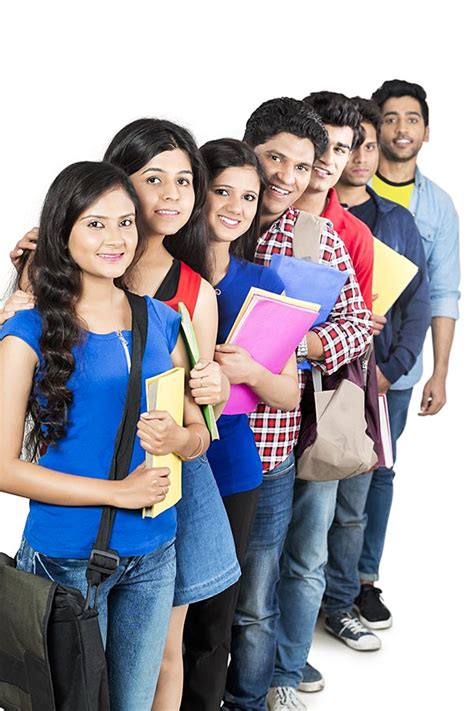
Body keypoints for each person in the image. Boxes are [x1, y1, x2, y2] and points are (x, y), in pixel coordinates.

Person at [2, 118, 240, 711]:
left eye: (125, 222)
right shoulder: (26, 332)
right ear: (63, 231)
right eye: (96, 223)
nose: (116, 237)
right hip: (66, 556)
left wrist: (183, 433)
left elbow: (196, 439)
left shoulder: (161, 320)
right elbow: (3, 468)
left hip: (154, 551)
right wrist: (117, 491)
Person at [222, 98, 372, 711]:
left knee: (257, 595)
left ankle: (251, 697)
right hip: (193, 439)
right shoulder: (206, 216)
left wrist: (305, 344)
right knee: (193, 589)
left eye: (302, 165)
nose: (285, 175)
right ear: (249, 152)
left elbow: (358, 322)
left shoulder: (316, 235)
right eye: (274, 158)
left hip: (274, 442)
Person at [181, 137, 300, 711]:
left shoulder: (264, 284)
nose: (234, 206)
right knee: (154, 613)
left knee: (213, 623)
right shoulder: (155, 269)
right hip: (158, 456)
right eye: (222, 190)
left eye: (249, 197)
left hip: (231, 466)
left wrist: (251, 369)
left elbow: (289, 394)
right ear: (198, 192)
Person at [353, 79, 460, 622]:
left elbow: (441, 292)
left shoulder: (436, 207)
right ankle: (320, 582)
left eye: (411, 118)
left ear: (426, 129)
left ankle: (362, 579)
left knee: (380, 470)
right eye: (388, 119)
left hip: (398, 368)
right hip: (335, 362)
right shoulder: (347, 192)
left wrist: (437, 371)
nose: (400, 129)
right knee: (326, 469)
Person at [332, 96, 431, 630]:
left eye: (370, 147)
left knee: (358, 496)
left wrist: (392, 369)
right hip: (321, 377)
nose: (364, 157)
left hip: (379, 381)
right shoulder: (317, 220)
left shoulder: (396, 220)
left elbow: (418, 301)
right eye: (354, 147)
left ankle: (346, 595)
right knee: (314, 501)